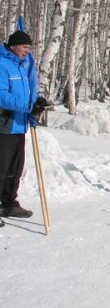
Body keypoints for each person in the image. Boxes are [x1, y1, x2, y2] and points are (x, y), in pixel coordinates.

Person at [0, 30, 48, 227]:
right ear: (13, 46)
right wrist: (28, 106)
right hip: (4, 124)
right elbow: (2, 95)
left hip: (19, 125)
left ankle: (9, 203)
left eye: (29, 47)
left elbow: (26, 93)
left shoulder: (21, 66)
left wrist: (36, 102)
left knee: (14, 169)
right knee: (1, 168)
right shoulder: (2, 65)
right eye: (25, 47)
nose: (28, 51)